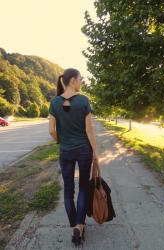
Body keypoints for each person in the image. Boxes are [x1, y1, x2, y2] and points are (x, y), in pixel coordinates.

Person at [48, 68, 99, 245]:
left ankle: (74, 225)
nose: (81, 82)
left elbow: (51, 131)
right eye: (80, 79)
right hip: (84, 150)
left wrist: (61, 141)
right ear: (72, 81)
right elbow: (89, 130)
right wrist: (96, 153)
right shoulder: (84, 101)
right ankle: (80, 224)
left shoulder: (54, 102)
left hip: (66, 151)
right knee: (84, 187)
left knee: (68, 190)